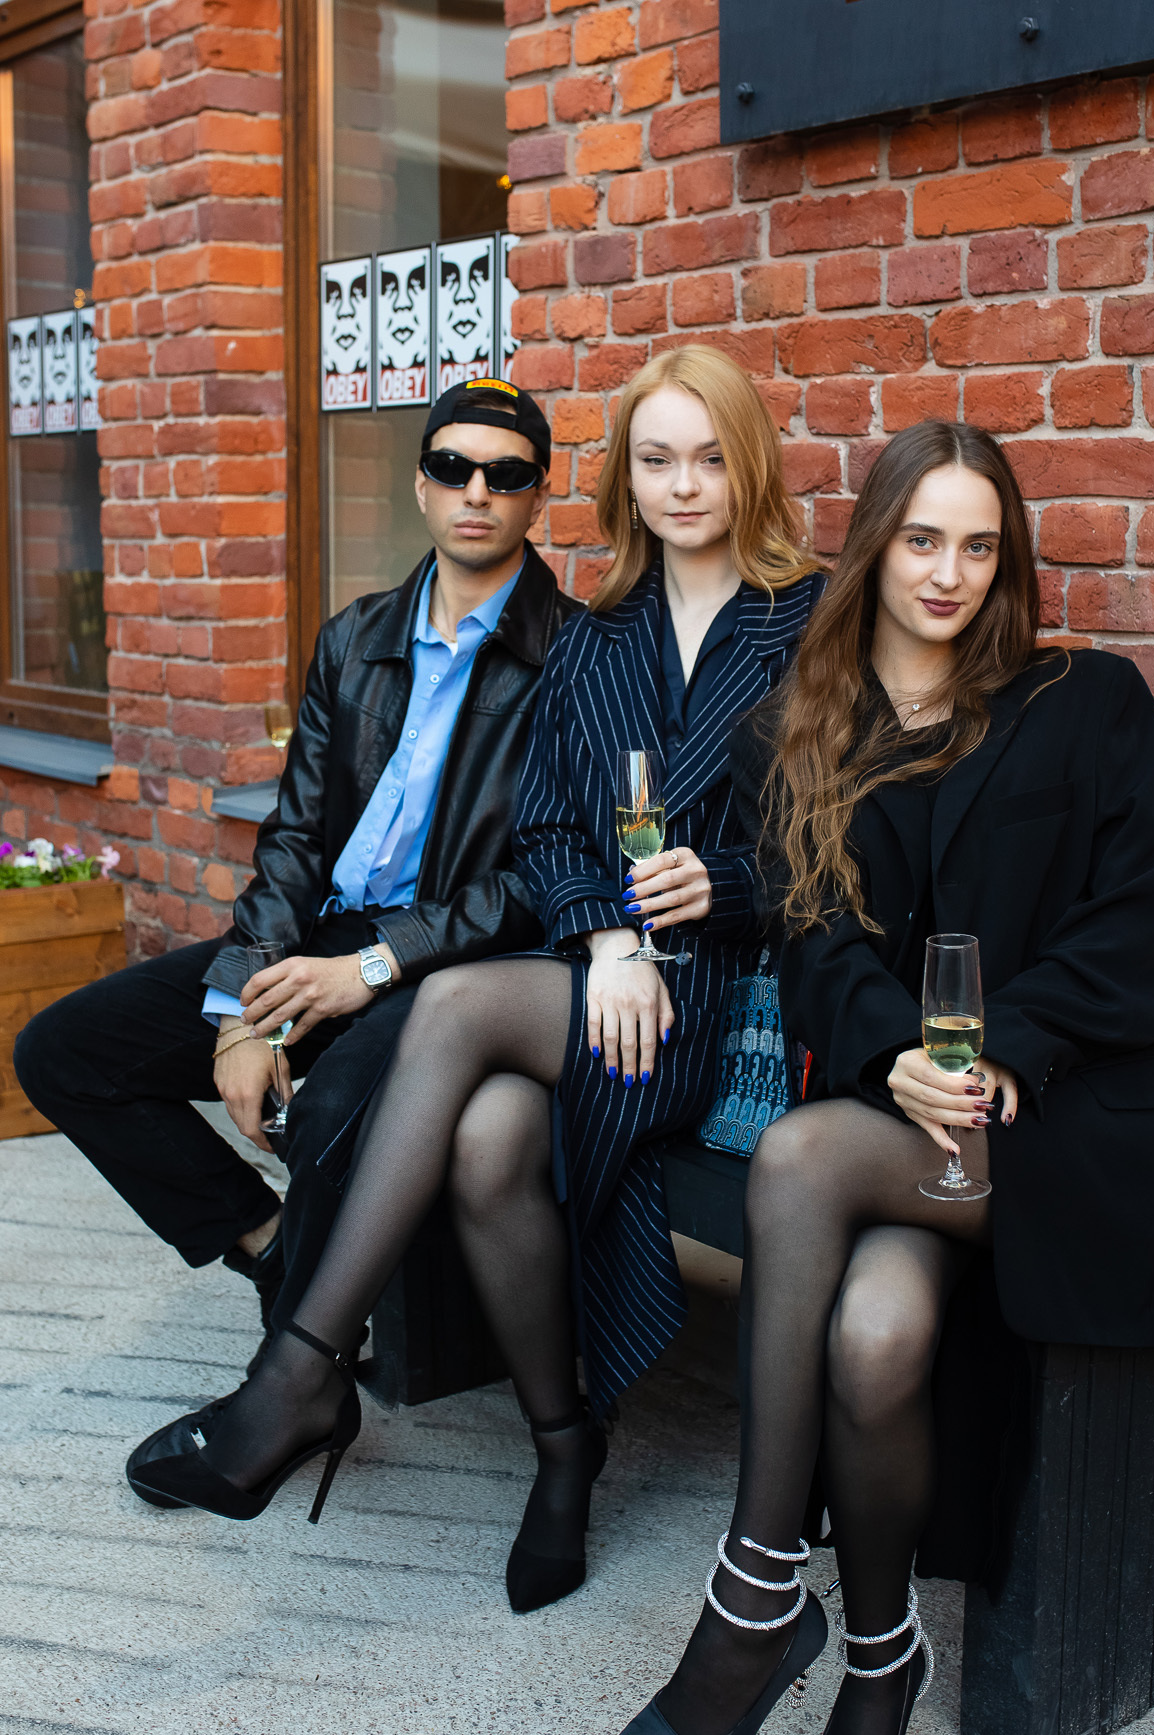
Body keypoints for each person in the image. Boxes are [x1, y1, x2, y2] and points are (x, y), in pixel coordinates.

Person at [584, 419, 1154, 1735]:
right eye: (922, 539)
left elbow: (1134, 940)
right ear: (875, 545)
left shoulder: (1083, 702)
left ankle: (754, 1594)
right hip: (906, 1126)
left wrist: (991, 1056)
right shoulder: (793, 731)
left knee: (798, 1158)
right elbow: (815, 950)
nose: (949, 573)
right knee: (873, 1338)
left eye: (979, 545)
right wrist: (893, 1057)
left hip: (1063, 1133)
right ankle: (880, 1664)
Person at [126, 344, 827, 1616]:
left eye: (709, 458)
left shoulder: (810, 620)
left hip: (729, 1005)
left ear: (751, 467)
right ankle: (564, 1451)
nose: (683, 485)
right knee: (487, 1137)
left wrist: (722, 886)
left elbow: (848, 841)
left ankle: (296, 1378)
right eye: (656, 459)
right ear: (623, 477)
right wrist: (606, 937)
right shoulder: (597, 637)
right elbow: (550, 832)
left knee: (450, 1003)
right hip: (597, 981)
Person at [16, 379, 577, 1482]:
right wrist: (241, 1003)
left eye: (506, 474)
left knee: (327, 1114)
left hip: (447, 964)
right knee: (67, 1052)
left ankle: (286, 1393)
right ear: (420, 484)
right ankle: (282, 1258)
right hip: (322, 933)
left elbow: (544, 881)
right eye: (454, 467)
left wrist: (375, 965)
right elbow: (293, 839)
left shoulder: (576, 657)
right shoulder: (357, 636)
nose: (476, 492)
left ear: (537, 496)